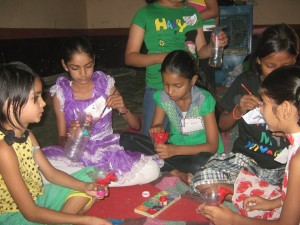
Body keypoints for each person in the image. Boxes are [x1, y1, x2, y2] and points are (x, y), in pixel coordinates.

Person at [193, 23, 299, 196]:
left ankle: (255, 195)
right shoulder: (246, 82)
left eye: (285, 66)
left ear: (295, 60)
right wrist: (239, 109)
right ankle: (267, 196)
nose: (277, 73)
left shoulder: (296, 87)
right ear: (258, 60)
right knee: (201, 180)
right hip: (247, 161)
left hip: (286, 167)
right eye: (270, 66)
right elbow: (223, 124)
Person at [0, 62, 111, 225]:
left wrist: (85, 186)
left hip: (38, 198)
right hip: (15, 216)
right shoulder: (4, 149)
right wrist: (86, 220)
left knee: (90, 176)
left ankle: (63, 219)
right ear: (9, 105)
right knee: (74, 211)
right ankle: (69, 218)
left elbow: (50, 174)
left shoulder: (28, 135)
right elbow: (30, 213)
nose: (43, 103)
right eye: (35, 98)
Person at [42, 36, 160, 187]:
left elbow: (136, 126)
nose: (83, 74)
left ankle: (83, 181)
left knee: (152, 169)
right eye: (75, 68)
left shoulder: (105, 85)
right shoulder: (61, 93)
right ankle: (98, 179)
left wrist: (123, 109)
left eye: (88, 66)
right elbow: (61, 139)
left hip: (107, 149)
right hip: (78, 152)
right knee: (41, 167)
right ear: (65, 65)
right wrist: (72, 138)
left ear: (94, 61)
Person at [199, 65, 300, 225]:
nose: (261, 110)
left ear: (285, 109)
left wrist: (233, 220)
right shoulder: (295, 142)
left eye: (264, 104)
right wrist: (272, 202)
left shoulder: (298, 160)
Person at [125, 0, 228, 136]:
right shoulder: (145, 13)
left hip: (189, 88)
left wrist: (214, 45)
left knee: (191, 137)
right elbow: (130, 57)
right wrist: (163, 58)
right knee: (152, 142)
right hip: (158, 86)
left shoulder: (192, 13)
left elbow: (200, 52)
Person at [121, 50, 224, 184]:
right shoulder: (163, 98)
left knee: (200, 165)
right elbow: (155, 128)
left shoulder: (204, 100)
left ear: (193, 80)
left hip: (200, 153)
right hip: (174, 151)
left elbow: (212, 146)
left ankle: (168, 167)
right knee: (126, 139)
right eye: (166, 84)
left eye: (177, 85)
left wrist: (175, 150)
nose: (170, 91)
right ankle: (177, 172)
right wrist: (156, 130)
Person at [187, 0, 219, 89]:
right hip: (191, 30)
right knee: (192, 66)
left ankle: (209, 96)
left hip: (205, 31)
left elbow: (214, 11)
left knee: (205, 71)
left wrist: (187, 21)